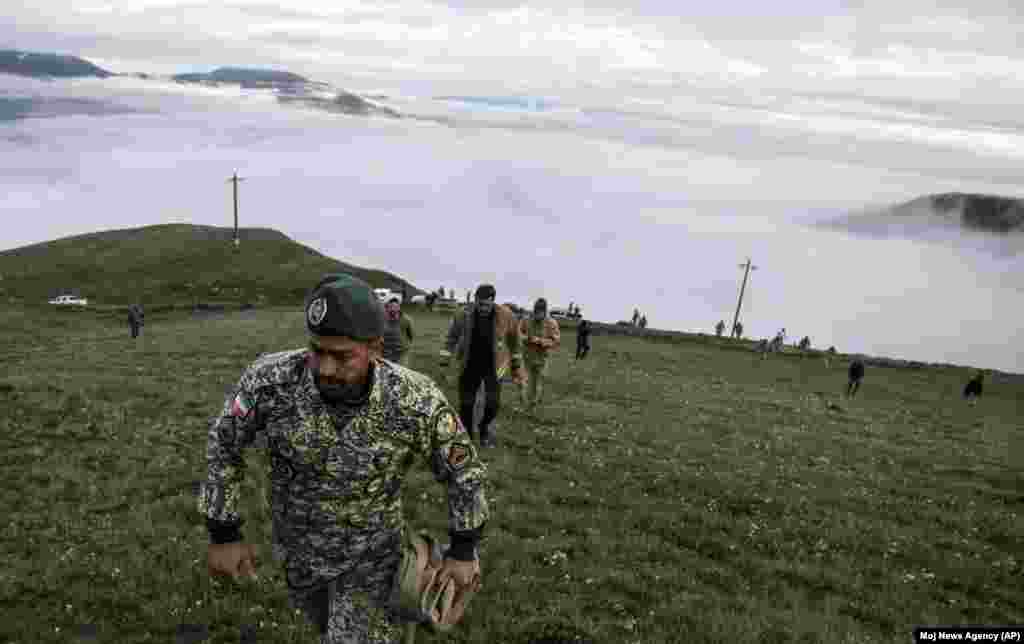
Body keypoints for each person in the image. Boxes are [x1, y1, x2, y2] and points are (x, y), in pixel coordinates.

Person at [197, 274, 487, 644]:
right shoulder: (270, 382)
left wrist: (463, 549)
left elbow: (464, 472)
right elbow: (224, 443)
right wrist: (223, 532)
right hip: (299, 557)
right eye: (317, 350)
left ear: (376, 348)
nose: (325, 368)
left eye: (342, 356)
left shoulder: (416, 400)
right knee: (324, 628)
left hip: (375, 560)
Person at [444, 284, 525, 448]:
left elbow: (515, 342)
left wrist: (516, 366)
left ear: (493, 302)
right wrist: (444, 360)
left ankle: (483, 430)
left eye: (486, 305)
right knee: (466, 403)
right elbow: (451, 337)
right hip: (469, 364)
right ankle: (466, 434)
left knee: (492, 404)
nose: (482, 308)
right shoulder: (464, 314)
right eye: (479, 304)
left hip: (493, 368)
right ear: (475, 300)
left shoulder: (506, 315)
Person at [518, 298, 561, 410]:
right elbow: (519, 333)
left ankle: (532, 405)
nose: (537, 315)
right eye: (536, 312)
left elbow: (555, 341)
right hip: (526, 356)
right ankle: (524, 403)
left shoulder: (552, 323)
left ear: (545, 311)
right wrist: (525, 338)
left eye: (540, 313)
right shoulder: (526, 320)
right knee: (524, 381)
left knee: (537, 383)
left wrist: (540, 341)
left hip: (541, 358)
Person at [381, 296, 415, 366]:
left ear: (399, 308)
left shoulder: (406, 320)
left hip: (401, 354)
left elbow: (411, 336)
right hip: (385, 353)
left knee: (400, 374)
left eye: (395, 307)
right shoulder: (381, 319)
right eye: (391, 307)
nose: (393, 309)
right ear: (386, 308)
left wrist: (405, 346)